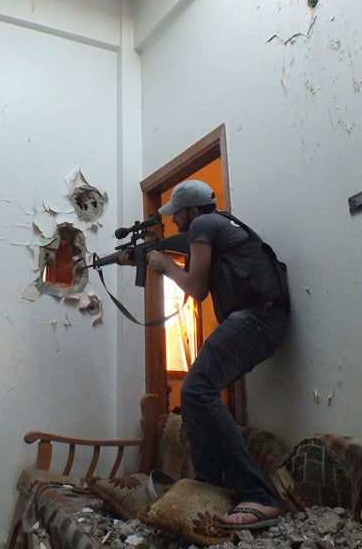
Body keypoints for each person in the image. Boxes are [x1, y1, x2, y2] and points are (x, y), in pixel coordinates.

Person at [145, 180, 290, 529]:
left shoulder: (203, 226)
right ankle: (209, 483)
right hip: (266, 318)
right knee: (198, 393)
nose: (176, 222)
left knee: (195, 389)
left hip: (257, 318)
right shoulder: (223, 224)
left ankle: (259, 495)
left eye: (177, 215)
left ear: (192, 212)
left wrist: (164, 264)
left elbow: (196, 289)